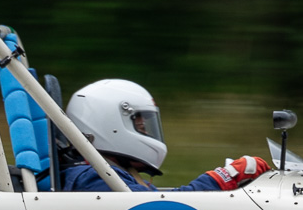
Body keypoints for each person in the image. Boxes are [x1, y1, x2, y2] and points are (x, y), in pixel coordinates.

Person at [59, 79, 269, 192]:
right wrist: (220, 178)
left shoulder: (114, 172)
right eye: (139, 124)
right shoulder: (92, 178)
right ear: (106, 123)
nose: (146, 130)